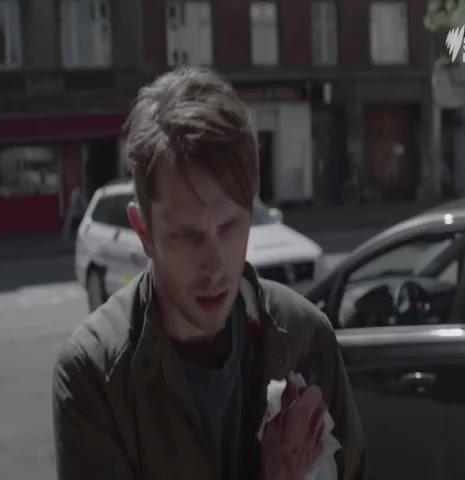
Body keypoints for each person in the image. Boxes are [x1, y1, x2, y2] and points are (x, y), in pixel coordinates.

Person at [52, 66, 366, 480]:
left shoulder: (306, 336)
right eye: (187, 235)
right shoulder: (95, 375)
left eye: (231, 226)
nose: (215, 266)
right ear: (144, 232)